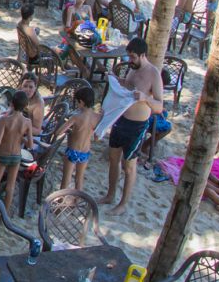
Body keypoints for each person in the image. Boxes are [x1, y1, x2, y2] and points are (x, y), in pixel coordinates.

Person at [104, 37, 162, 214]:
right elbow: (128, 86)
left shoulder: (153, 74)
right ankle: (110, 194)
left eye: (133, 57)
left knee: (128, 165)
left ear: (142, 55)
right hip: (121, 119)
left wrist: (145, 98)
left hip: (137, 125)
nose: (130, 61)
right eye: (129, 57)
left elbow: (159, 106)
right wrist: (116, 80)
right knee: (113, 158)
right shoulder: (132, 69)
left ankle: (123, 204)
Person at [0, 88, 31, 202]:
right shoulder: (27, 122)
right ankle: (5, 213)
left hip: (3, 155)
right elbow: (30, 144)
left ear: (11, 104)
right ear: (26, 105)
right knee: (10, 187)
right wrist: (21, 138)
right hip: (16, 155)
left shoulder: (4, 120)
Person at [57, 81, 100, 194]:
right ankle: (77, 200)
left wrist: (70, 131)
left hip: (73, 151)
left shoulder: (76, 117)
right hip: (85, 152)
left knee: (66, 179)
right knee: (79, 179)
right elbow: (96, 138)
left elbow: (58, 132)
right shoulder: (98, 117)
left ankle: (60, 202)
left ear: (81, 102)